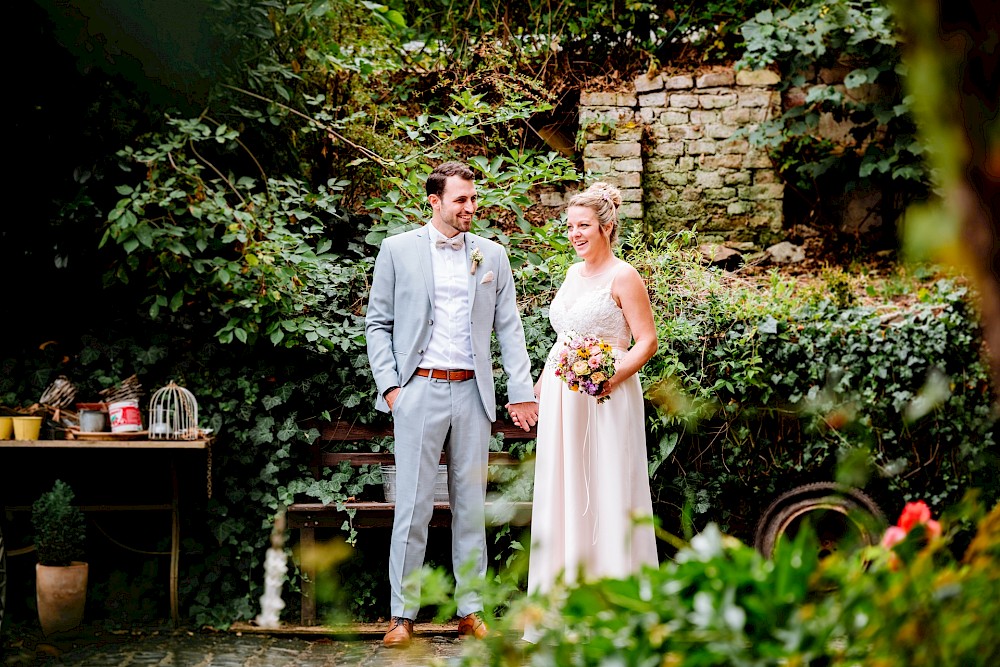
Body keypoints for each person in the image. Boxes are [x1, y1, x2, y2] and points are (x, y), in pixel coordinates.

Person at [365, 161, 539, 648]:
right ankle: (403, 615)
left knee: (470, 508)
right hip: (417, 391)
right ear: (434, 201)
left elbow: (510, 328)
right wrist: (393, 390)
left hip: (472, 394)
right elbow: (377, 324)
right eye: (460, 199)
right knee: (414, 507)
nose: (470, 208)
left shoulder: (492, 256)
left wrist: (521, 391)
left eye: (473, 199)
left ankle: (471, 611)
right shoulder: (397, 251)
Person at [522, 182, 659, 643]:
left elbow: (646, 341)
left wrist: (611, 377)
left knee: (608, 485)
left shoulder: (625, 276)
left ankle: (617, 604)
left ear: (606, 227)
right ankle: (564, 601)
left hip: (607, 398)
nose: (575, 234)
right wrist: (542, 382)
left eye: (583, 226)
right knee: (566, 487)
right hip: (565, 400)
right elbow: (565, 335)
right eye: (570, 227)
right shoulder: (571, 273)